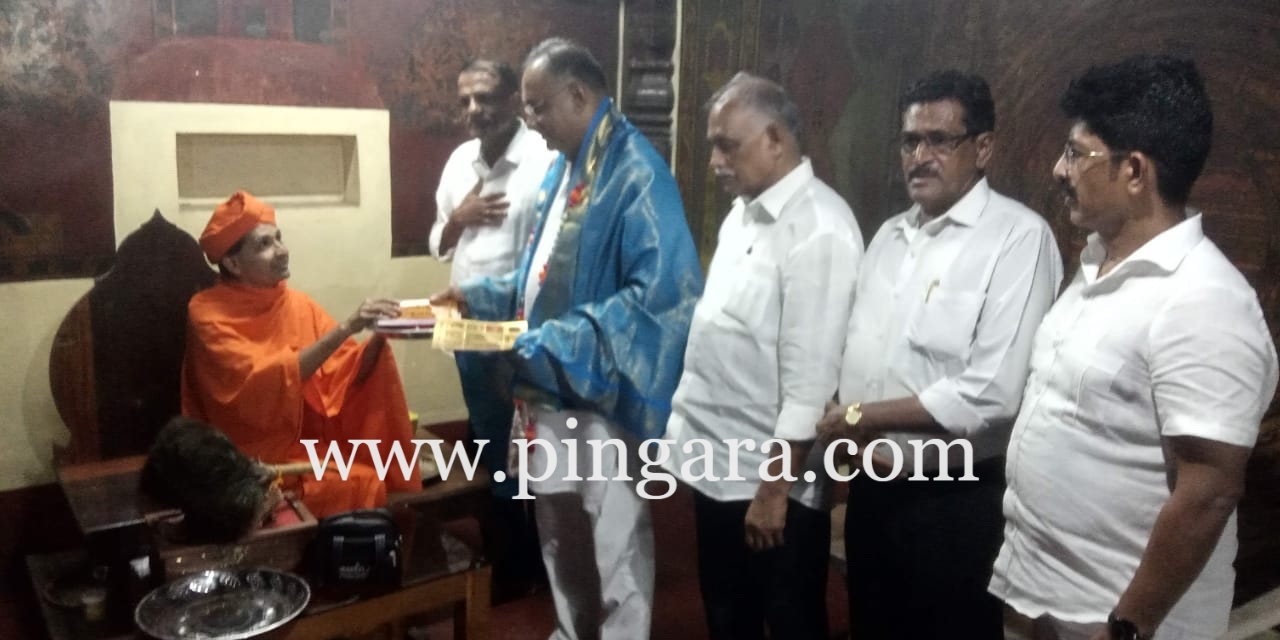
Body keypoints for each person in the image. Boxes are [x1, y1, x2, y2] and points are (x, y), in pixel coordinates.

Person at [989, 54, 1279, 640]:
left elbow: (1209, 491)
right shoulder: (1097, 267)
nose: (1059, 169)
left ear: (1135, 171)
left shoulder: (1203, 299)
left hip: (1116, 622)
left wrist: (1128, 626)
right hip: (1041, 598)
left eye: (1076, 153)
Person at [432, 38, 703, 640]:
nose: (530, 120)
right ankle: (571, 629)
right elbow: (541, 276)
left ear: (578, 95)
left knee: (612, 535)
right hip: (547, 385)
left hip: (599, 391)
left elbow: (660, 297)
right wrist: (478, 296)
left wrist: (559, 341)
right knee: (557, 525)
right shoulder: (563, 167)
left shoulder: (635, 173)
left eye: (537, 106)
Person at [815, 70, 1063, 638]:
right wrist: (845, 424)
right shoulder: (888, 237)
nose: (919, 157)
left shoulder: (1017, 238)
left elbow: (993, 392)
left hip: (954, 503)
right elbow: (863, 354)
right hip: (873, 494)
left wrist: (859, 416)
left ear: (983, 148)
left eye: (939, 141)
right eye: (910, 141)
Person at [664, 72, 862, 640]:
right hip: (718, 467)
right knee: (727, 614)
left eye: (727, 145)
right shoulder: (744, 213)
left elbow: (810, 382)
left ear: (775, 139)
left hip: (769, 482)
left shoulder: (819, 230)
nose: (715, 162)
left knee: (790, 619)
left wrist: (775, 491)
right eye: (713, 146)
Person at [182, 190, 421, 520]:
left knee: (369, 475)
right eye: (265, 244)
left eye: (279, 238)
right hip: (245, 456)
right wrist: (347, 327)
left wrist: (379, 338)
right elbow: (259, 385)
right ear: (233, 264)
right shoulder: (206, 313)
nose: (282, 250)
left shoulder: (296, 304)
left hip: (302, 445)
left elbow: (344, 370)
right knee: (362, 482)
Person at [430, 58, 556, 596]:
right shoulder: (460, 161)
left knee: (529, 443)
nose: (473, 110)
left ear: (513, 101)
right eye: (464, 101)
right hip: (465, 324)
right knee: (487, 439)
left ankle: (537, 559)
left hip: (518, 327)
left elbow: (549, 255)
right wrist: (457, 220)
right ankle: (506, 555)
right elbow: (439, 243)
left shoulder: (543, 159)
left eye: (484, 98)